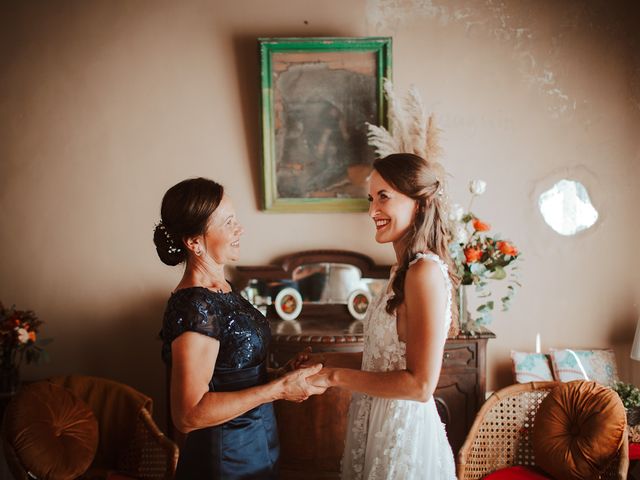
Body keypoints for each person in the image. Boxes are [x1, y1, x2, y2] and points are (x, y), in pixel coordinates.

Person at [295, 153, 458, 479]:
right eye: (371, 199)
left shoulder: (424, 273)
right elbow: (384, 360)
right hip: (376, 421)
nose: (372, 211)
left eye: (384, 197)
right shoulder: (403, 269)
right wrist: (326, 361)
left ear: (420, 204)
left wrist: (333, 378)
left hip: (403, 435)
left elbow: (420, 385)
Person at [154, 177, 325, 480]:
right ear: (194, 242)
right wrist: (278, 389)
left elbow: (228, 374)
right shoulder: (195, 305)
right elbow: (188, 414)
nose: (239, 229)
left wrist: (279, 374)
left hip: (259, 445)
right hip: (225, 460)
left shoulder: (222, 288)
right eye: (228, 222)